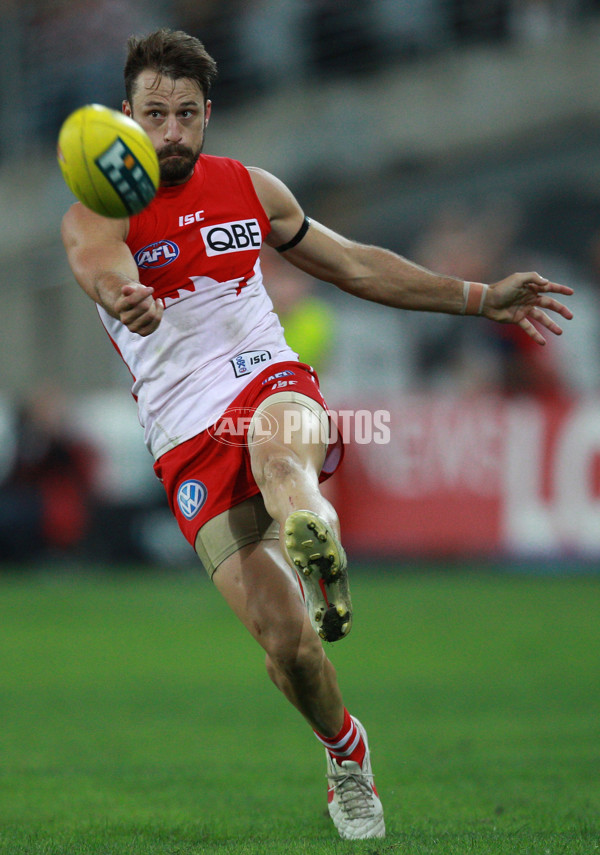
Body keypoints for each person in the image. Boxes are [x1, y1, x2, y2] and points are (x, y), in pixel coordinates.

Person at [60, 28, 573, 841]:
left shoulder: (252, 189)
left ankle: (311, 529)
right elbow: (99, 264)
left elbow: (359, 265)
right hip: (184, 438)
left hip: (269, 381)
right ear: (124, 117)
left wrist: (479, 295)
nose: (170, 132)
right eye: (153, 113)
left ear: (208, 117)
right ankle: (345, 749)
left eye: (186, 115)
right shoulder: (97, 210)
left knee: (279, 445)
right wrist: (126, 295)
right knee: (287, 646)